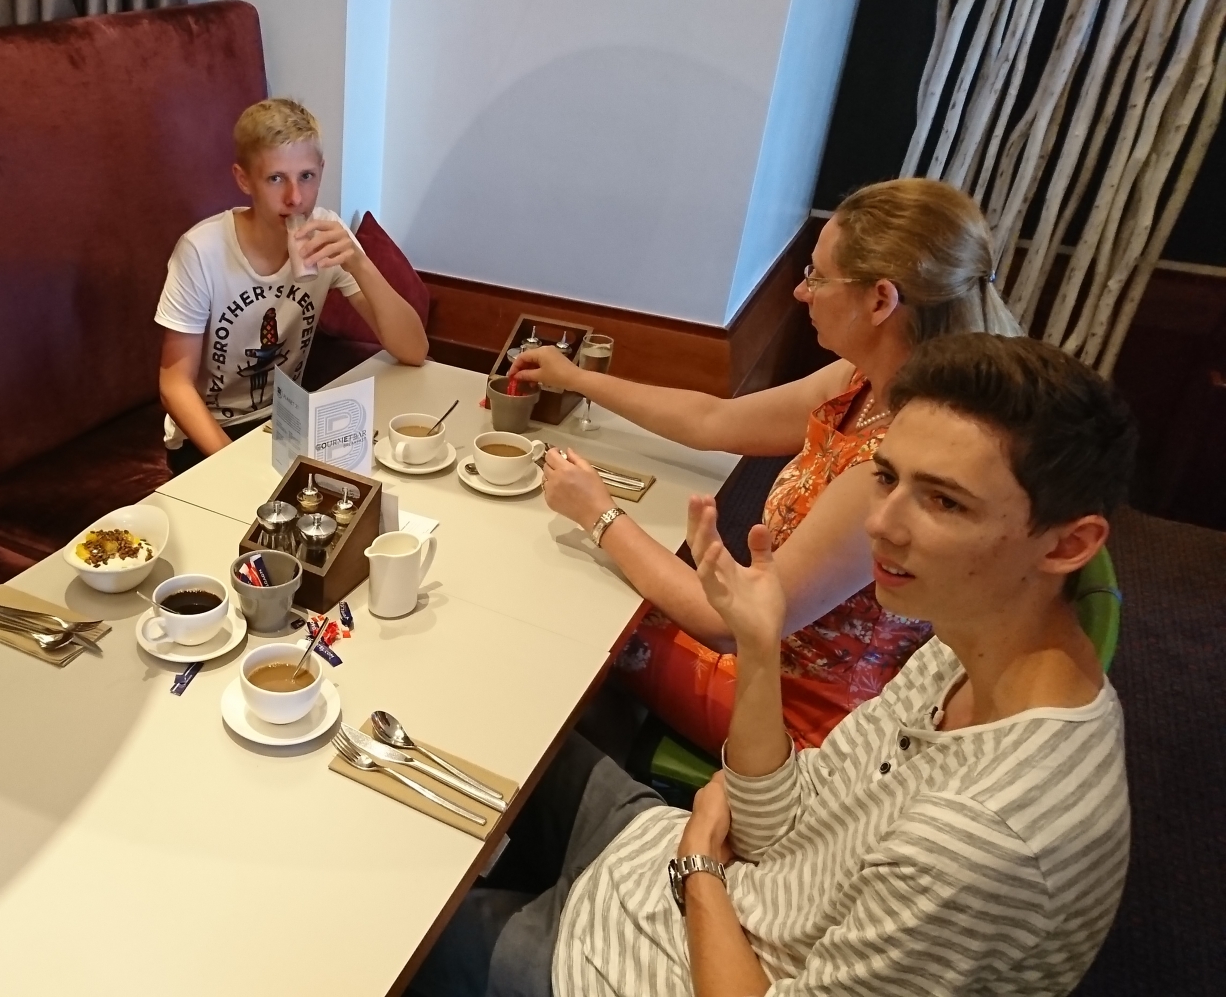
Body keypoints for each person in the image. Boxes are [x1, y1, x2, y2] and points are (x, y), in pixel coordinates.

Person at [412, 333, 1135, 997]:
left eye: (944, 501)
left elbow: (740, 847)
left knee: (392, 935)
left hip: (628, 961)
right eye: (887, 478)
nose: (880, 523)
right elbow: (777, 821)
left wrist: (700, 868)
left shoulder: (984, 841)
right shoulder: (961, 643)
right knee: (498, 713)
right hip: (671, 872)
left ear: (1067, 545)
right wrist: (758, 647)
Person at [510, 178, 1023, 753]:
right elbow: (713, 421)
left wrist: (599, 515)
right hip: (763, 637)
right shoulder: (866, 381)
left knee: (579, 612)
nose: (802, 292)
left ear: (881, 300)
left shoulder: (896, 470)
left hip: (792, 706)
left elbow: (730, 625)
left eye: (818, 277)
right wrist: (576, 378)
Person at [155, 98, 428, 475]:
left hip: (286, 422)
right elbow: (174, 385)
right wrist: (236, 464)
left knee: (386, 477)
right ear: (244, 179)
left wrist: (359, 263)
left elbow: (414, 350)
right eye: (275, 179)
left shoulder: (326, 234)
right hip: (208, 435)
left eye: (306, 176)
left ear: (321, 171)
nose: (295, 198)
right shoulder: (203, 251)